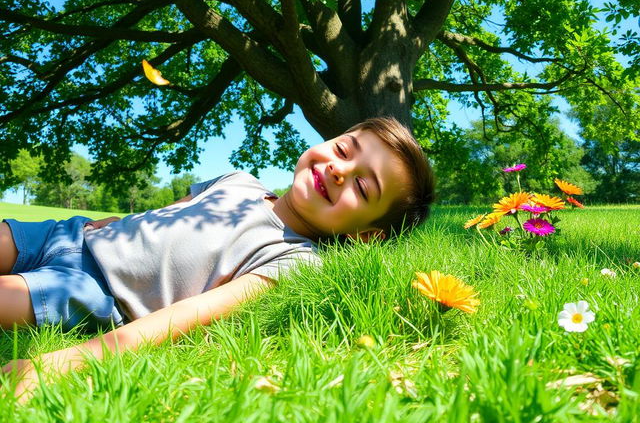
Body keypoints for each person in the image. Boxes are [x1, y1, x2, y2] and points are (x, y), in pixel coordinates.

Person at [1, 117, 435, 399]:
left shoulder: (297, 258)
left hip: (94, 291)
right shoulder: (238, 179)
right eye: (344, 150)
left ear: (367, 235)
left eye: (363, 187)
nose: (341, 170)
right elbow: (165, 217)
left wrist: (67, 361)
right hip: (71, 234)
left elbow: (191, 314)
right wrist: (112, 220)